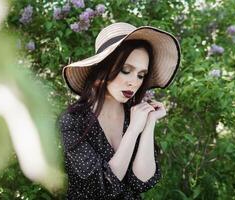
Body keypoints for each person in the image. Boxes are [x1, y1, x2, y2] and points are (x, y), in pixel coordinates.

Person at [58, 22, 181, 200]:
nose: (134, 82)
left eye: (141, 75)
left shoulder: (136, 115)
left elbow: (142, 181)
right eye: (125, 70)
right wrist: (132, 130)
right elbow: (103, 188)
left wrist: (149, 122)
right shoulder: (73, 120)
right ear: (102, 70)